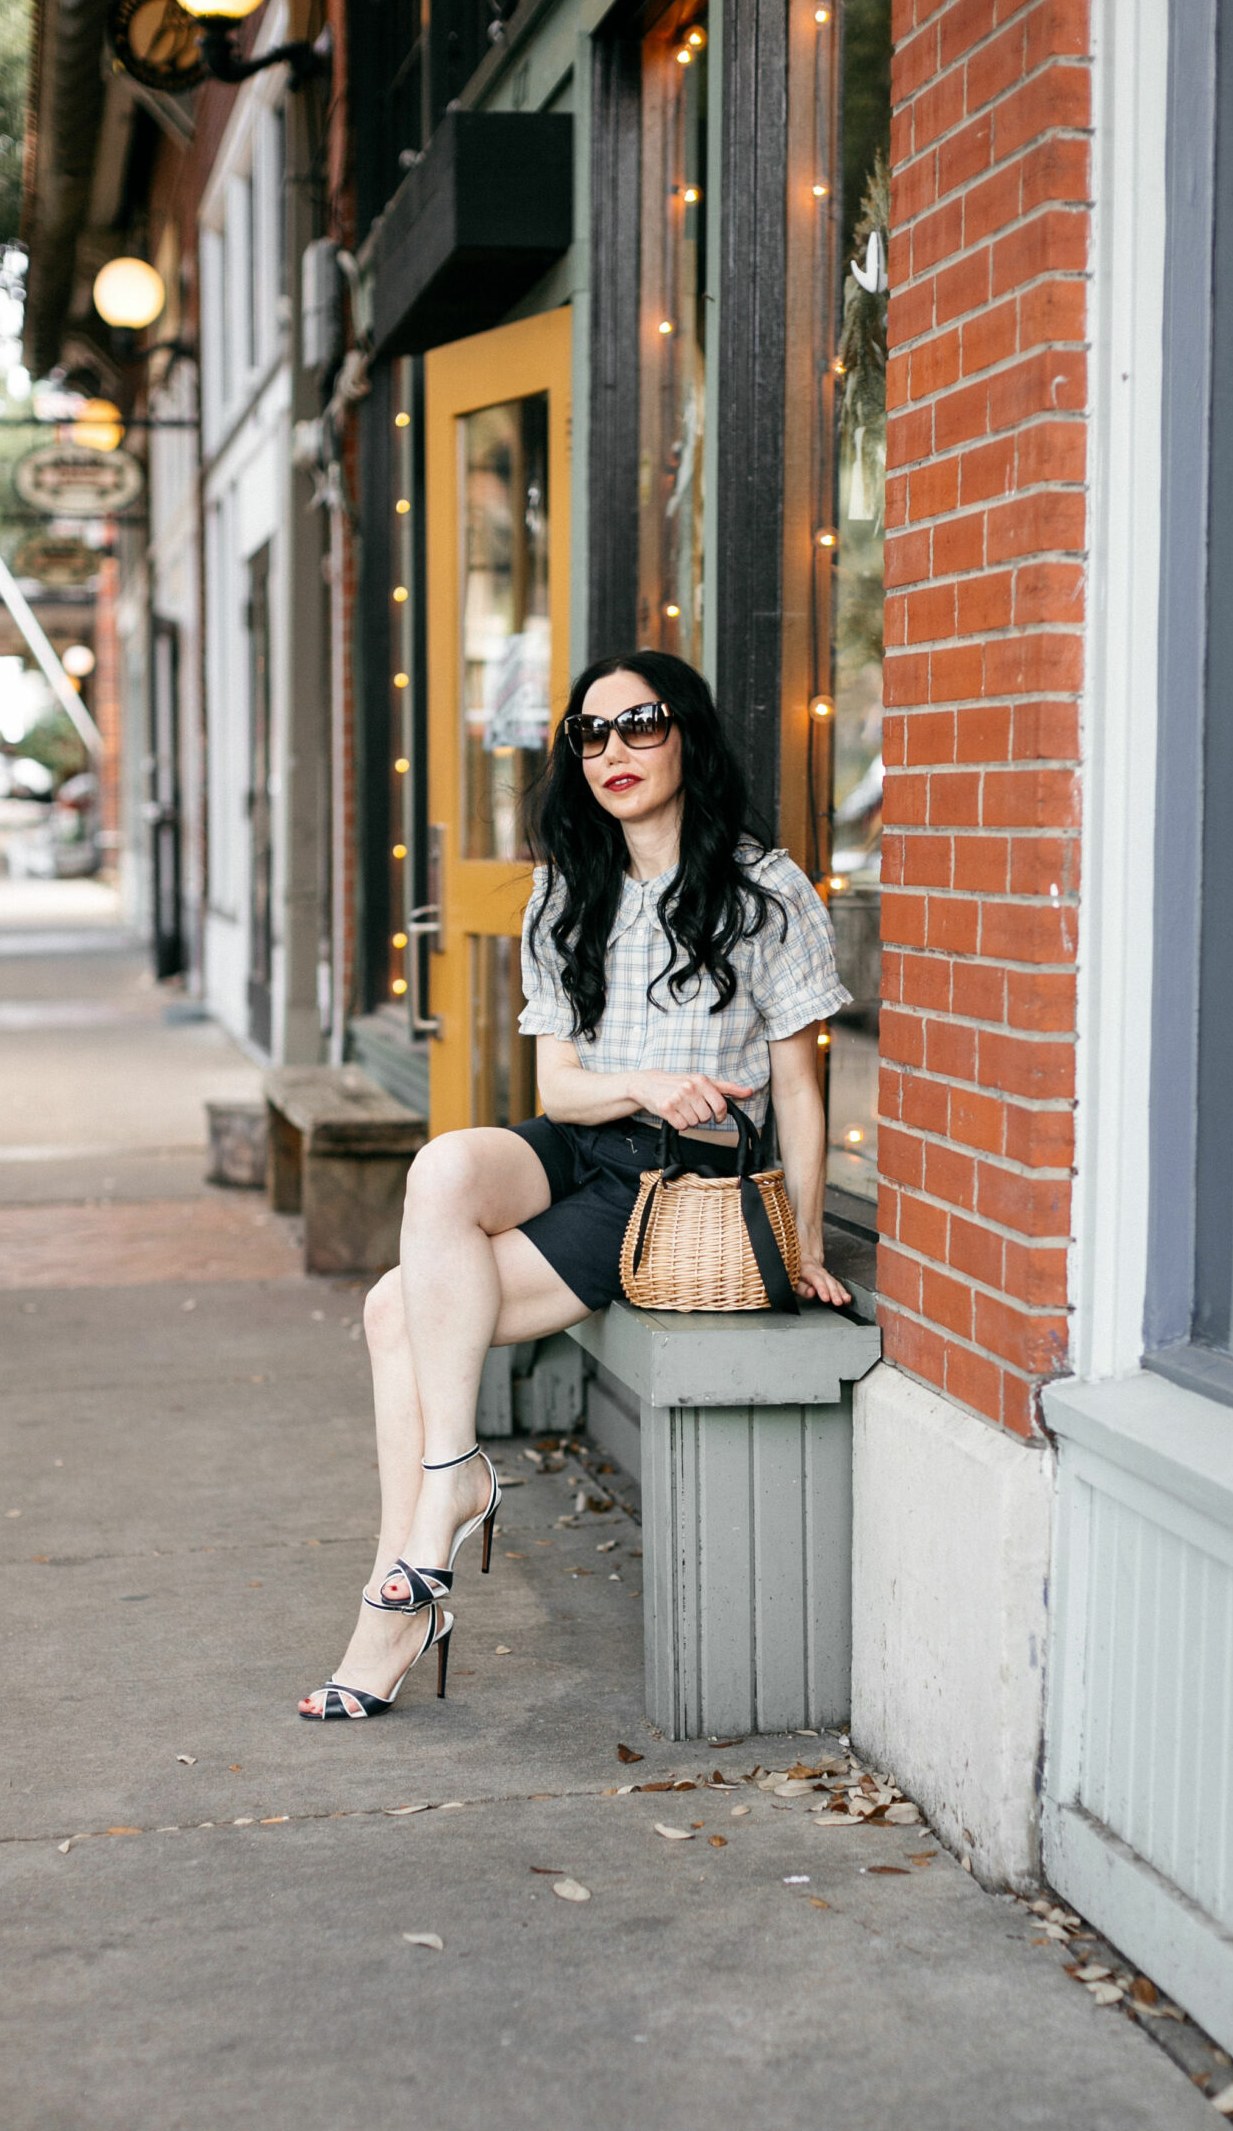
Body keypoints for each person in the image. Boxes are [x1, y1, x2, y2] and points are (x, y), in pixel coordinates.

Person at [299, 651, 853, 1721]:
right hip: (583, 1134)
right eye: (590, 734)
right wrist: (640, 1080)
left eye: (640, 725)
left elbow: (800, 1084)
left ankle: (398, 1601)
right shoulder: (564, 888)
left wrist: (810, 1244)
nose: (614, 752)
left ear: (686, 733)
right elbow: (559, 1083)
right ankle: (453, 1482)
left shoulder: (763, 890)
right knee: (444, 1165)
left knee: (387, 1311)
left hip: (664, 1185)